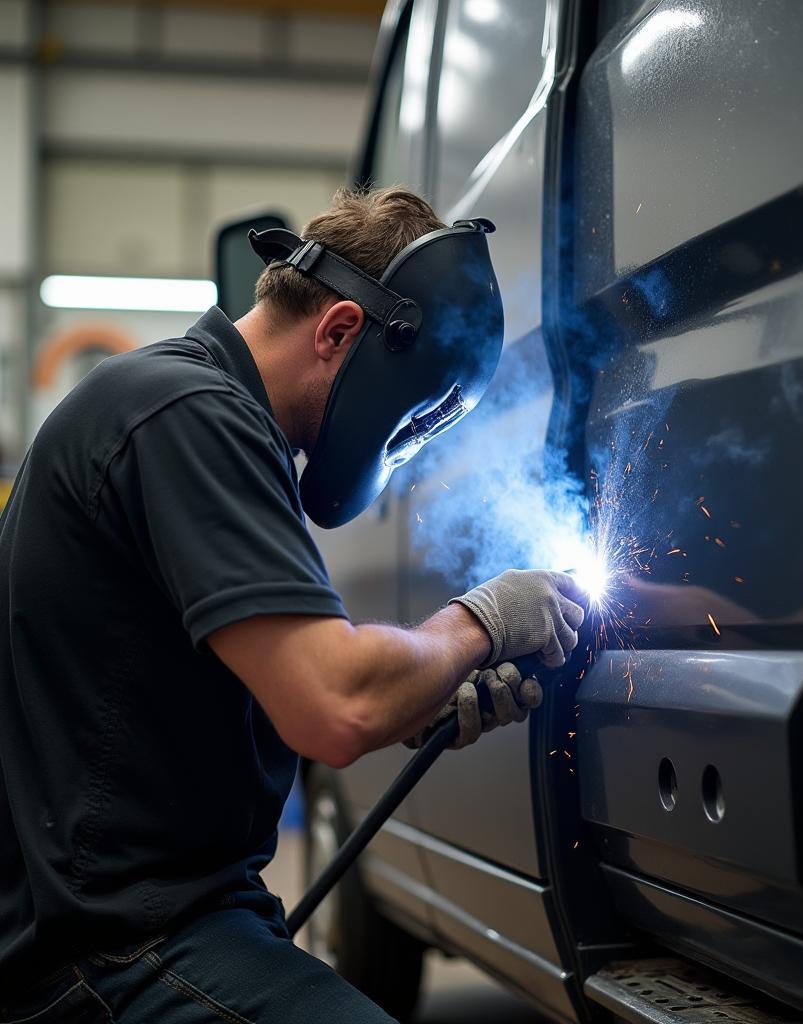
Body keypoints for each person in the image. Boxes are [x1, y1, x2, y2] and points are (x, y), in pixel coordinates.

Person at [0, 186, 585, 1022]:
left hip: (164, 912)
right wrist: (480, 623)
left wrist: (417, 699)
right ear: (341, 329)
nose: (407, 440)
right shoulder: (188, 414)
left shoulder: (209, 415)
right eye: (414, 412)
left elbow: (222, 682)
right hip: (107, 947)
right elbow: (332, 704)